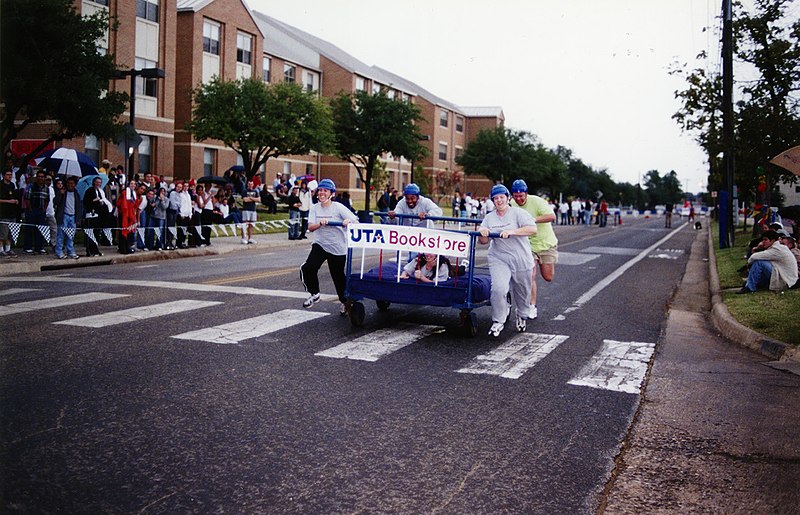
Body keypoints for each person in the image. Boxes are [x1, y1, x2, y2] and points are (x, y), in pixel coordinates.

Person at [478, 184, 537, 337]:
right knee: (498, 288)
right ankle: (498, 321)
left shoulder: (518, 213)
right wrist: (483, 233)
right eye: (495, 198)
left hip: (521, 257)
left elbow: (532, 229)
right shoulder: (489, 217)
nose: (499, 201)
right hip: (499, 257)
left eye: (501, 197)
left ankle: (522, 315)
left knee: (523, 291)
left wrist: (512, 232)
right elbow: (483, 241)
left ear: (508, 198)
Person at [300, 179, 359, 315]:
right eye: (320, 190)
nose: (321, 193)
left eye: (325, 191)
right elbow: (310, 227)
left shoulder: (337, 207)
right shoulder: (315, 208)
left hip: (337, 247)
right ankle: (314, 293)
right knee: (308, 268)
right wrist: (320, 223)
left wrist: (347, 221)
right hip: (320, 244)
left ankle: (345, 302)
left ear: (331, 194)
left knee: (338, 277)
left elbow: (355, 220)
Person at [511, 179, 558, 320]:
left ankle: (544, 267)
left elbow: (552, 216)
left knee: (548, 277)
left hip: (545, 243)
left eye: (521, 196)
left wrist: (532, 220)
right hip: (527, 245)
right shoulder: (511, 204)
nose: (518, 199)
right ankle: (531, 306)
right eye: (516, 196)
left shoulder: (537, 201)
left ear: (526, 193)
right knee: (530, 275)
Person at [737, 230, 798, 294]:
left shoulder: (777, 249)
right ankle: (753, 283)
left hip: (785, 280)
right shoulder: (779, 247)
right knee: (761, 262)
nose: (763, 242)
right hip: (784, 276)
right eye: (763, 240)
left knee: (759, 263)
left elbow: (753, 257)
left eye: (765, 240)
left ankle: (750, 287)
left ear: (773, 241)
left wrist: (748, 264)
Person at [53, 176, 82, 259]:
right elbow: (55, 202)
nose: (70, 185)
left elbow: (79, 206)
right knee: (60, 235)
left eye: (72, 183)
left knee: (71, 236)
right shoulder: (62, 192)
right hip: (64, 215)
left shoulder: (76, 194)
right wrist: (60, 194)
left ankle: (70, 251)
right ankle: (59, 251)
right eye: (68, 183)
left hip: (73, 216)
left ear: (75, 185)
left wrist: (78, 218)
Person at [23, 170, 50, 254]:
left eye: (42, 177)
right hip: (32, 209)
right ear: (36, 177)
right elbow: (27, 199)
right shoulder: (31, 186)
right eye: (39, 176)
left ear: (44, 178)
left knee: (40, 230)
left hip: (41, 210)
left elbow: (47, 200)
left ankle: (39, 247)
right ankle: (28, 247)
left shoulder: (46, 188)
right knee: (30, 229)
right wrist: (30, 209)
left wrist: (44, 209)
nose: (40, 178)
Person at [0, 169, 19, 257]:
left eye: (11, 175)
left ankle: (8, 248)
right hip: (3, 212)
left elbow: (14, 195)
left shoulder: (12, 185)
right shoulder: (1, 185)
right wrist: (9, 201)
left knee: (11, 232)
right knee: (3, 233)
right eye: (8, 175)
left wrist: (15, 201)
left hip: (12, 212)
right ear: (3, 175)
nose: (10, 176)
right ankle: (1, 249)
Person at [241, 179, 259, 244]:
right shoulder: (244, 191)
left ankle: (250, 238)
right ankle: (243, 238)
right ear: (247, 184)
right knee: (245, 224)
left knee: (251, 224)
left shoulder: (255, 191)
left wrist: (250, 198)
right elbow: (245, 200)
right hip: (246, 209)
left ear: (253, 185)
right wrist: (253, 199)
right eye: (249, 184)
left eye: (251, 184)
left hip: (253, 209)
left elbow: (259, 199)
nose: (250, 185)